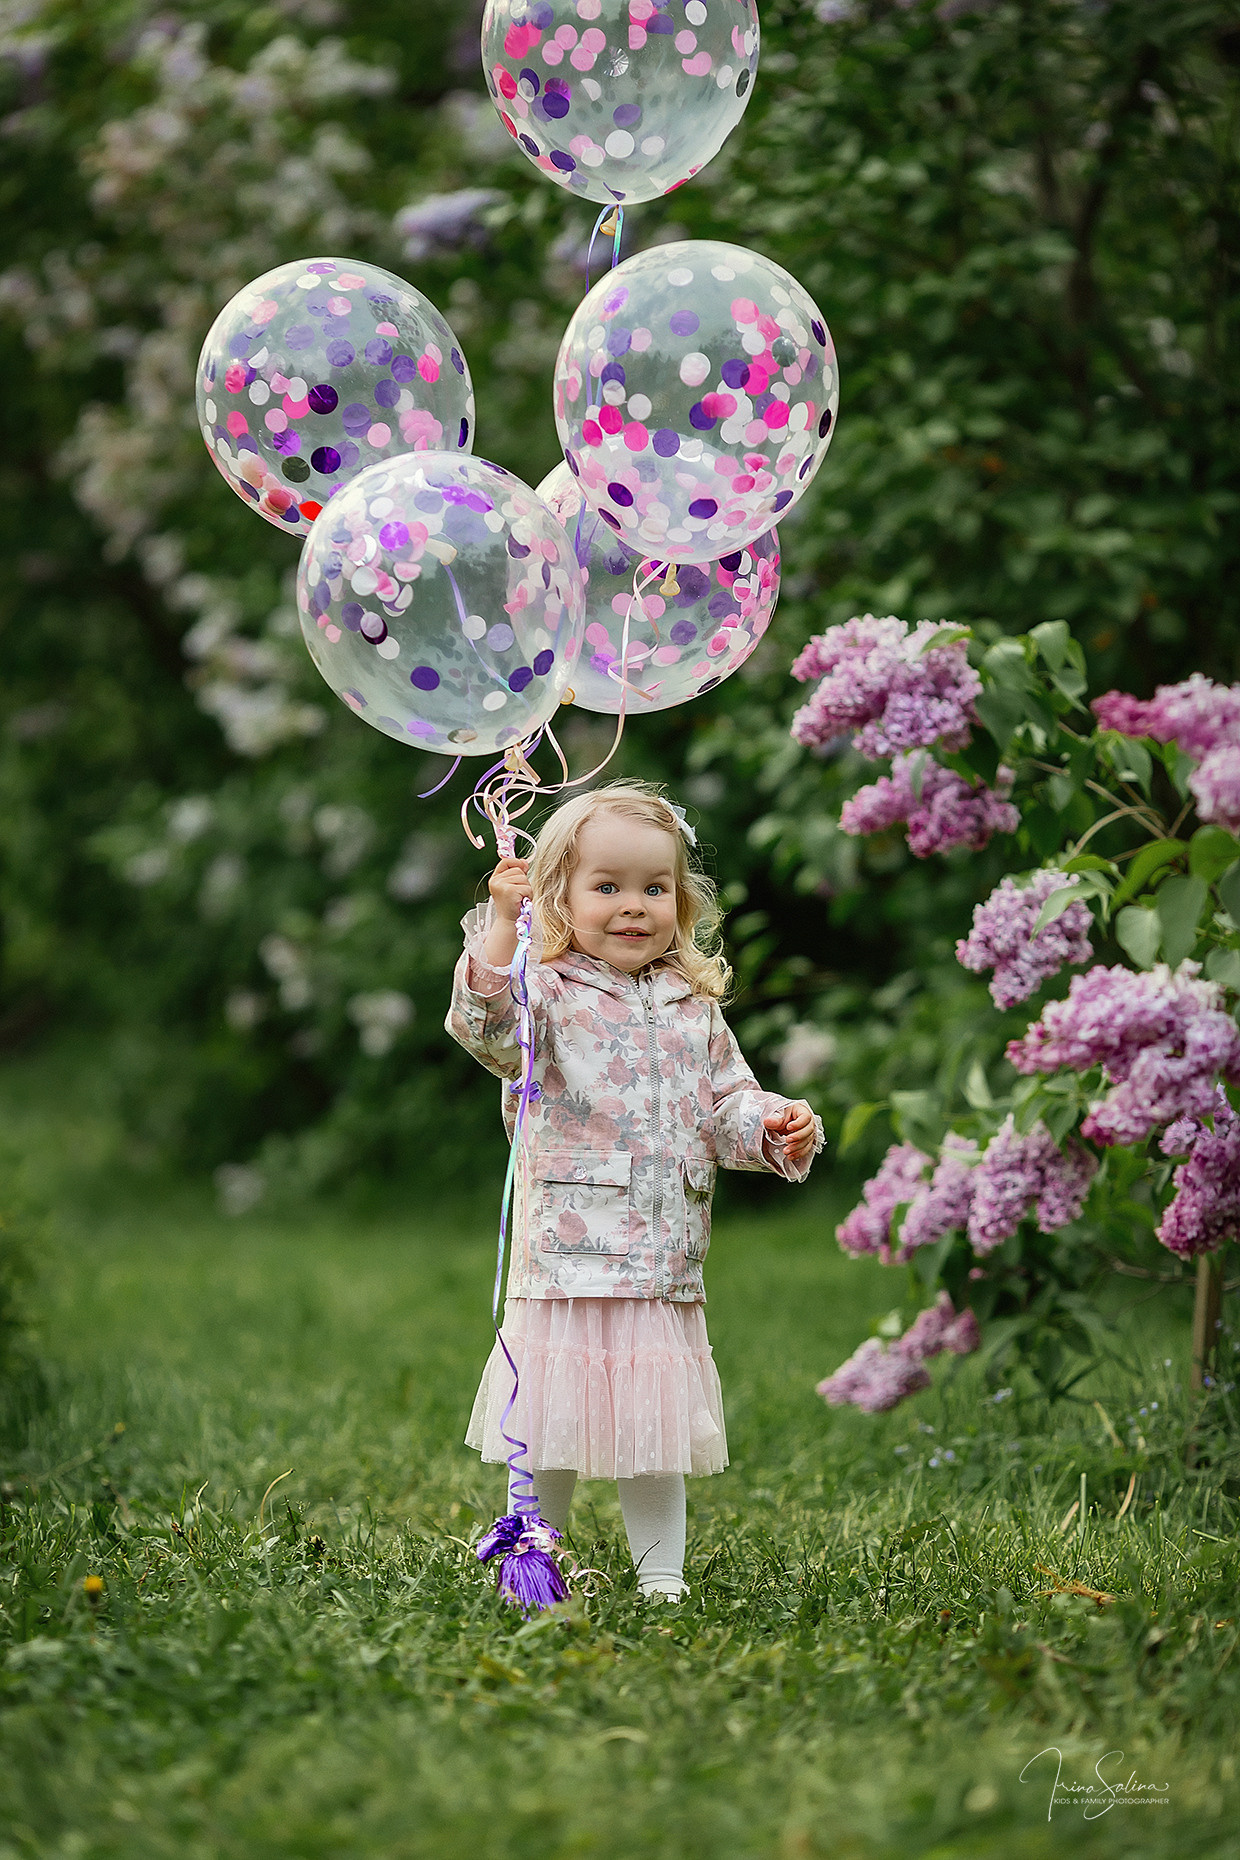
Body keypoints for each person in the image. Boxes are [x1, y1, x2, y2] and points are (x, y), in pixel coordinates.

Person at [446, 781, 823, 1600]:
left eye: (654, 889)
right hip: (572, 1251)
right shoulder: (546, 989)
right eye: (606, 887)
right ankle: (531, 1562)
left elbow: (724, 1103)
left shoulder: (692, 1004)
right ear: (560, 897)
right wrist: (500, 929)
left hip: (660, 1258)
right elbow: (486, 1031)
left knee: (652, 1427)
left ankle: (664, 1581)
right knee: (550, 1417)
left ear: (681, 903)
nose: (632, 907)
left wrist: (771, 1125)